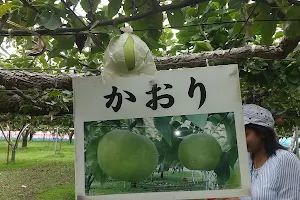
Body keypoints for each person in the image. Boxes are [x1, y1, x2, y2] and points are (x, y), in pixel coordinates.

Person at [219, 104, 300, 200]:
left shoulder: (285, 160)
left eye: (245, 135)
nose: (239, 140)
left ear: (262, 133)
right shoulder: (246, 161)